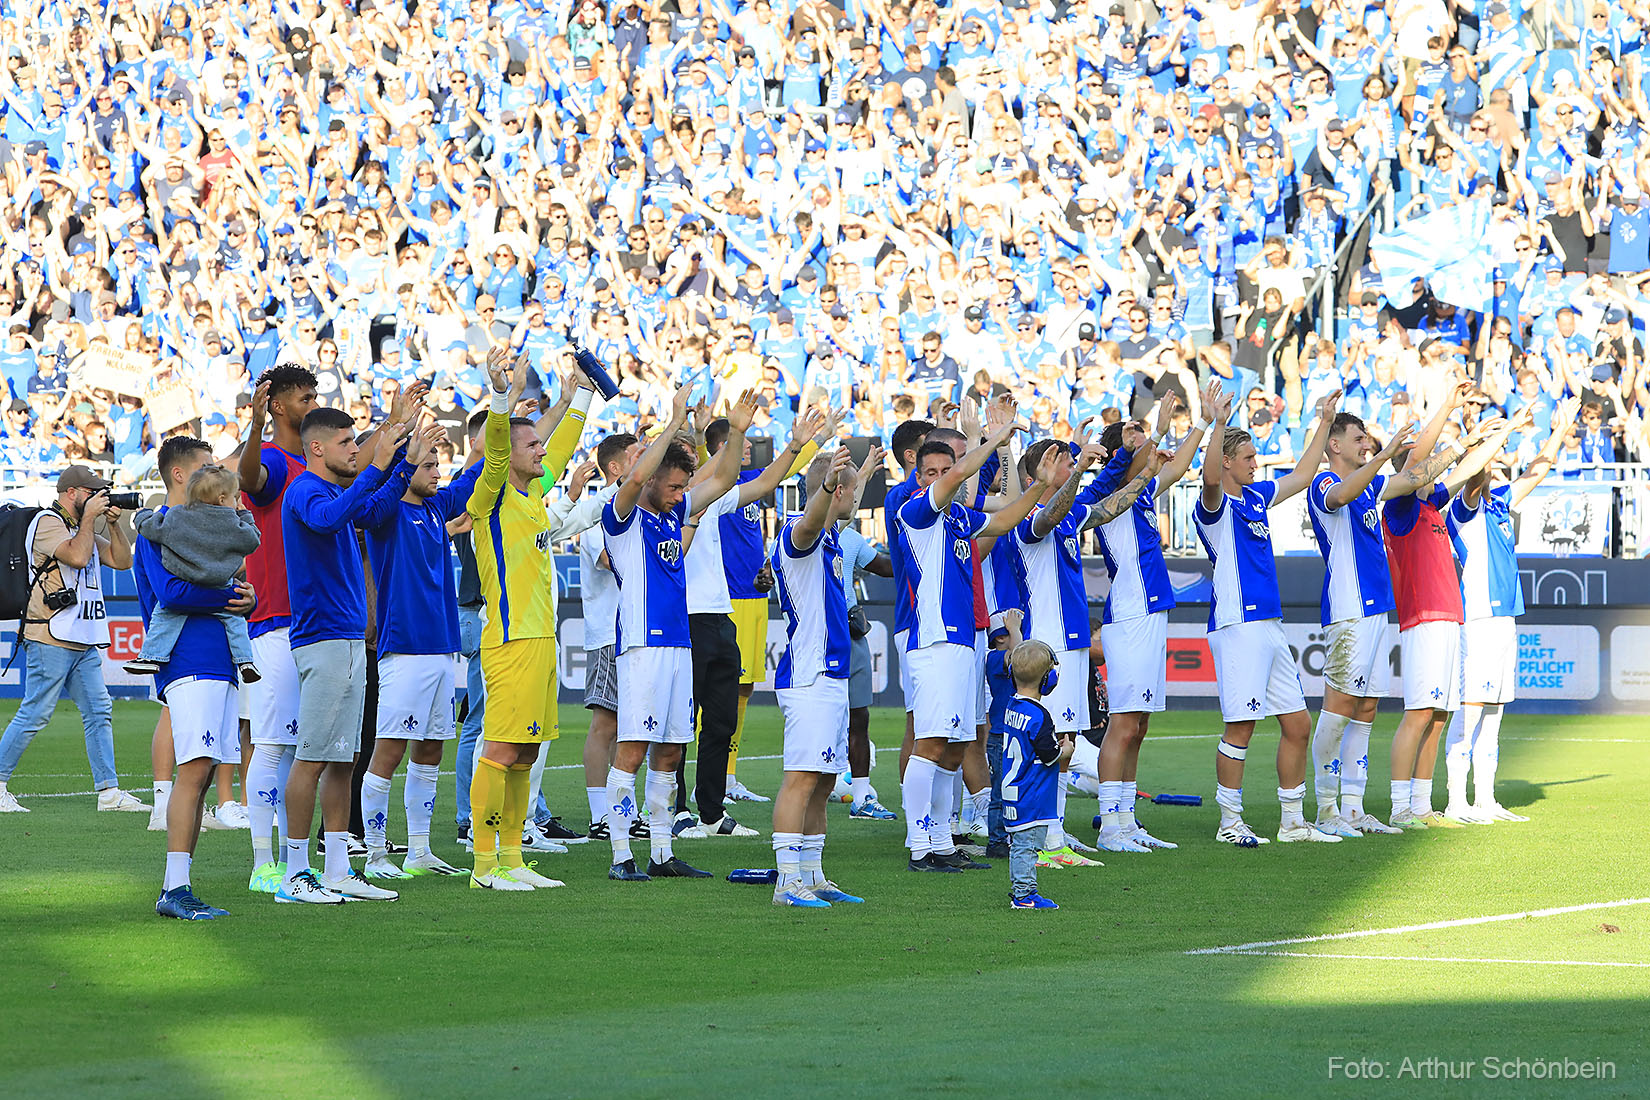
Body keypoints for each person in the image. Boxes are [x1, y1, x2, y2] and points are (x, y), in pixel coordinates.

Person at [600, 386, 756, 880]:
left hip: (678, 646)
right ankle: (622, 855)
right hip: (643, 646)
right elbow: (641, 474)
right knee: (634, 749)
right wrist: (672, 420)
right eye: (671, 486)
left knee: (670, 749)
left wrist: (736, 431)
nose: (677, 493)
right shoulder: (622, 516)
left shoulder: (673, 515)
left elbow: (726, 476)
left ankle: (662, 854)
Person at [275, 406, 425, 904]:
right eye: (346, 444)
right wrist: (380, 464)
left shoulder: (337, 490)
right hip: (323, 638)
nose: (354, 452)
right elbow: (329, 520)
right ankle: (296, 875)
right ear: (317, 447)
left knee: (343, 759)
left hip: (348, 637)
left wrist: (402, 463)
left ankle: (338, 869)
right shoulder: (305, 490)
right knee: (312, 757)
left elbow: (376, 511)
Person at [899, 413, 1056, 872]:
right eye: (931, 472)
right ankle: (918, 845)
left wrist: (1037, 487)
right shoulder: (918, 513)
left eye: (943, 471)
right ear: (920, 476)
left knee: (953, 745)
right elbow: (961, 476)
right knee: (930, 743)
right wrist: (996, 440)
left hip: (964, 642)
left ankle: (943, 841)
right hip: (935, 642)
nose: (939, 479)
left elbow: (1004, 519)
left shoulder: (956, 520)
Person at [1305, 383, 1463, 838]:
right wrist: (1383, 455)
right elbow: (1340, 497)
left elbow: (1415, 475)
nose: (1367, 445)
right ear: (1334, 445)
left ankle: (1353, 808)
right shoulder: (1324, 482)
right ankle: (1326, 806)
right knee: (1338, 708)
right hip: (1349, 610)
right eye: (1358, 440)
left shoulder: (1372, 484)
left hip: (1376, 609)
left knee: (1367, 707)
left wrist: (1458, 439)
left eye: (1368, 442)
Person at [1196, 385, 1346, 845]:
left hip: (1269, 624)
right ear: (1226, 462)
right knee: (1241, 726)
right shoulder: (1215, 505)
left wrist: (1323, 421)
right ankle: (1229, 822)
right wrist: (1217, 423)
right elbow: (1207, 479)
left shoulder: (1257, 497)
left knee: (1297, 724)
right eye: (1246, 457)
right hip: (1238, 624)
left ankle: (1293, 822)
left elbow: (1302, 475)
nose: (1254, 463)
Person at [464, 348, 586, 891]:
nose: (542, 450)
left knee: (529, 750)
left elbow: (562, 443)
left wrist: (579, 394)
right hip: (510, 639)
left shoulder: (533, 489)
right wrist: (499, 399)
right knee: (501, 748)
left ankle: (512, 858)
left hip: (541, 638)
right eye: (530, 443)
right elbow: (496, 449)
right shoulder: (489, 495)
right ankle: (485, 865)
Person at [676, 405, 826, 840]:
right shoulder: (658, 504)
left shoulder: (706, 496)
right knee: (679, 724)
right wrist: (720, 434)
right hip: (682, 620)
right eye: (681, 455)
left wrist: (796, 444)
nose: (690, 464)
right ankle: (677, 811)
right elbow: (719, 471)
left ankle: (710, 812)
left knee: (721, 721)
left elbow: (763, 482)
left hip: (719, 615)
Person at [1009, 431, 1154, 863]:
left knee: (1066, 739)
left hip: (1071, 642)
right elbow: (1051, 514)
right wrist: (1074, 474)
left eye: (1070, 462)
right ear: (1040, 472)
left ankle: (1055, 832)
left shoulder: (1070, 515)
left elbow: (1113, 504)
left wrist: (1146, 471)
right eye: (1062, 462)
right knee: (1046, 738)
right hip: (1045, 640)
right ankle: (1044, 838)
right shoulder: (1030, 517)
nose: (1071, 467)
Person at [132, 436, 256, 919]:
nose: (216, 473)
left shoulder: (214, 532)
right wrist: (230, 599)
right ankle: (174, 889)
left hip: (219, 661)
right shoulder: (159, 531)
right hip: (188, 658)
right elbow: (172, 592)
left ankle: (178, 885)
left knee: (204, 776)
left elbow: (233, 588)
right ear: (180, 475)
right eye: (207, 466)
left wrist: (245, 600)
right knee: (196, 769)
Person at [358, 422, 485, 879]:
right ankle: (374, 854)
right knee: (388, 752)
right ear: (406, 467)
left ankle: (418, 850)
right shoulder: (387, 511)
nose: (437, 472)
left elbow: (479, 470)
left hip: (441, 648)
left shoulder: (436, 507)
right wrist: (406, 457)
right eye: (428, 465)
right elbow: (368, 509)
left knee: (430, 750)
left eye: (437, 464)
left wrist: (502, 407)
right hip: (404, 650)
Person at [1382, 410, 1519, 830]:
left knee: (1438, 716)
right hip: (1423, 618)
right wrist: (1446, 411)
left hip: (1449, 620)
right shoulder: (1401, 506)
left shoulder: (1432, 505)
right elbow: (1428, 465)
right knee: (1418, 713)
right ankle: (1399, 806)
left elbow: (1470, 469)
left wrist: (1503, 431)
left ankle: (1422, 806)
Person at [1444, 398, 1579, 823]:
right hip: (1479, 617)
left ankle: (1486, 798)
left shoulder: (1501, 505)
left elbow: (1538, 470)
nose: (1499, 473)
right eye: (1493, 468)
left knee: (1496, 711)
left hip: (1505, 619)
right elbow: (1476, 474)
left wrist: (1558, 430)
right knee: (1471, 708)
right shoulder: (1464, 510)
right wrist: (1494, 437)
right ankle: (1455, 799)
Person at [1091, 396, 1211, 854]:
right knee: (1123, 723)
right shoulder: (1108, 496)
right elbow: (1151, 462)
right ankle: (1109, 827)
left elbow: (1178, 467)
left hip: (1150, 611)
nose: (1150, 450)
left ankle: (1125, 819)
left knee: (1138, 724)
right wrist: (1154, 433)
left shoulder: (1139, 493)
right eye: (1137, 445)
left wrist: (1203, 421)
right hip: (1132, 614)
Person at [0, 465, 142, 814]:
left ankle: (109, 792)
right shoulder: (47, 523)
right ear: (72, 493)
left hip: (82, 637)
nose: (98, 497)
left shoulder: (83, 528)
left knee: (99, 711)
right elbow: (78, 557)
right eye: (91, 492)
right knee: (36, 712)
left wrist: (110, 523)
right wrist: (91, 521)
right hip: (51, 633)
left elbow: (122, 561)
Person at [769, 446, 864, 907]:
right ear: (835, 491)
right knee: (802, 779)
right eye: (849, 490)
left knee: (825, 781)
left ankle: (813, 873)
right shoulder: (797, 532)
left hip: (831, 676)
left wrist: (859, 472)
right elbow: (810, 522)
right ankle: (787, 882)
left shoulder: (830, 540)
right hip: (809, 675)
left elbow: (828, 516)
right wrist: (829, 485)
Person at [236, 365, 318, 891]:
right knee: (271, 744)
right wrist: (254, 427)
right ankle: (262, 862)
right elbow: (248, 480)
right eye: (306, 397)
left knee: (299, 748)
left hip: (314, 621)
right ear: (280, 407)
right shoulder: (269, 459)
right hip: (274, 621)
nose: (314, 403)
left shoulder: (316, 466)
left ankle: (293, 858)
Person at [124, 466, 260, 681]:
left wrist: (142, 514)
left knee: (165, 615)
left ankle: (150, 657)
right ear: (223, 499)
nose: (237, 503)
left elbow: (152, 528)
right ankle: (245, 662)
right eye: (235, 498)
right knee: (234, 621)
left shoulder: (178, 516)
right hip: (221, 584)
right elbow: (253, 539)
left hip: (187, 578)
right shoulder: (234, 523)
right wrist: (244, 514)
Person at [578, 432, 642, 839]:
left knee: (634, 725)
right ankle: (601, 815)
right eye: (638, 454)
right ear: (616, 467)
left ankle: (624, 811)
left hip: (637, 630)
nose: (647, 459)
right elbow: (607, 558)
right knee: (607, 723)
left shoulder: (642, 505)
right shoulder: (595, 510)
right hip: (609, 632)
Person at [998, 639, 1074, 911]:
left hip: (1015, 790)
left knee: (1021, 844)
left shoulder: (1012, 705)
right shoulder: (1039, 715)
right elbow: (1049, 755)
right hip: (1030, 793)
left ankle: (1023, 890)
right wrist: (1066, 750)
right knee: (1026, 847)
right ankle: (1024, 894)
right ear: (1048, 680)